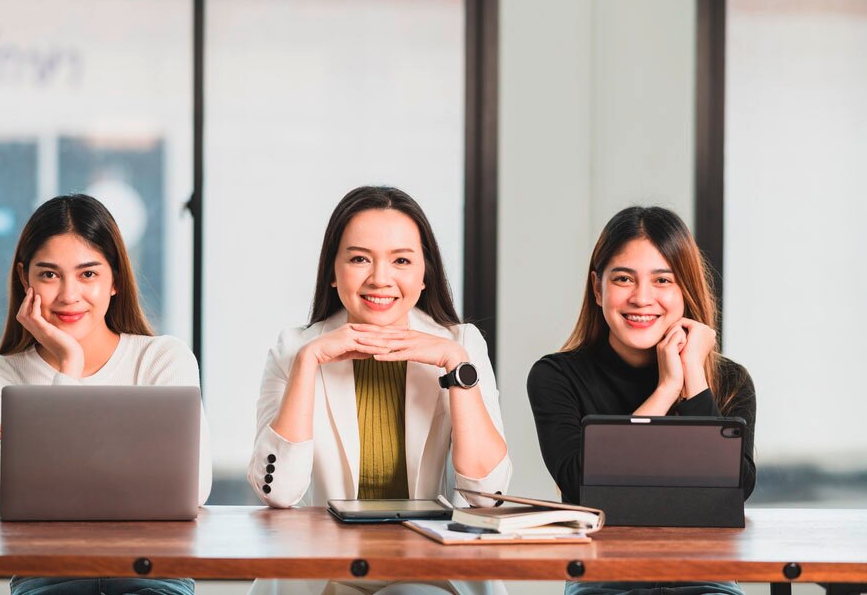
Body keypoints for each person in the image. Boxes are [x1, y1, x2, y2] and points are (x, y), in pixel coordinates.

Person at [248, 185, 511, 595]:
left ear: (425, 274)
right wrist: (308, 363)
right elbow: (277, 492)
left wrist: (456, 365)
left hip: (428, 565)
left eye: (401, 260)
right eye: (359, 259)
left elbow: (487, 497)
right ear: (333, 273)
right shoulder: (295, 348)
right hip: (323, 566)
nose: (380, 279)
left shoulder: (460, 344)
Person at [0, 194, 211, 595]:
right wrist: (70, 360)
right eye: (49, 275)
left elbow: (194, 491)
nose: (68, 295)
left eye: (87, 274)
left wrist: (49, 445)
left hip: (154, 571)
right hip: (47, 573)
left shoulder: (163, 358)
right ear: (24, 279)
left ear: (114, 279)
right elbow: (36, 502)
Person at [527, 205, 756, 595]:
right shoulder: (556, 375)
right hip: (601, 578)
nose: (642, 297)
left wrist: (693, 379)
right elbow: (583, 489)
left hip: (707, 574)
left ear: (685, 289)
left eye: (663, 279)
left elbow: (734, 490)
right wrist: (666, 389)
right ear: (598, 288)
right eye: (623, 279)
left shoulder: (730, 379)